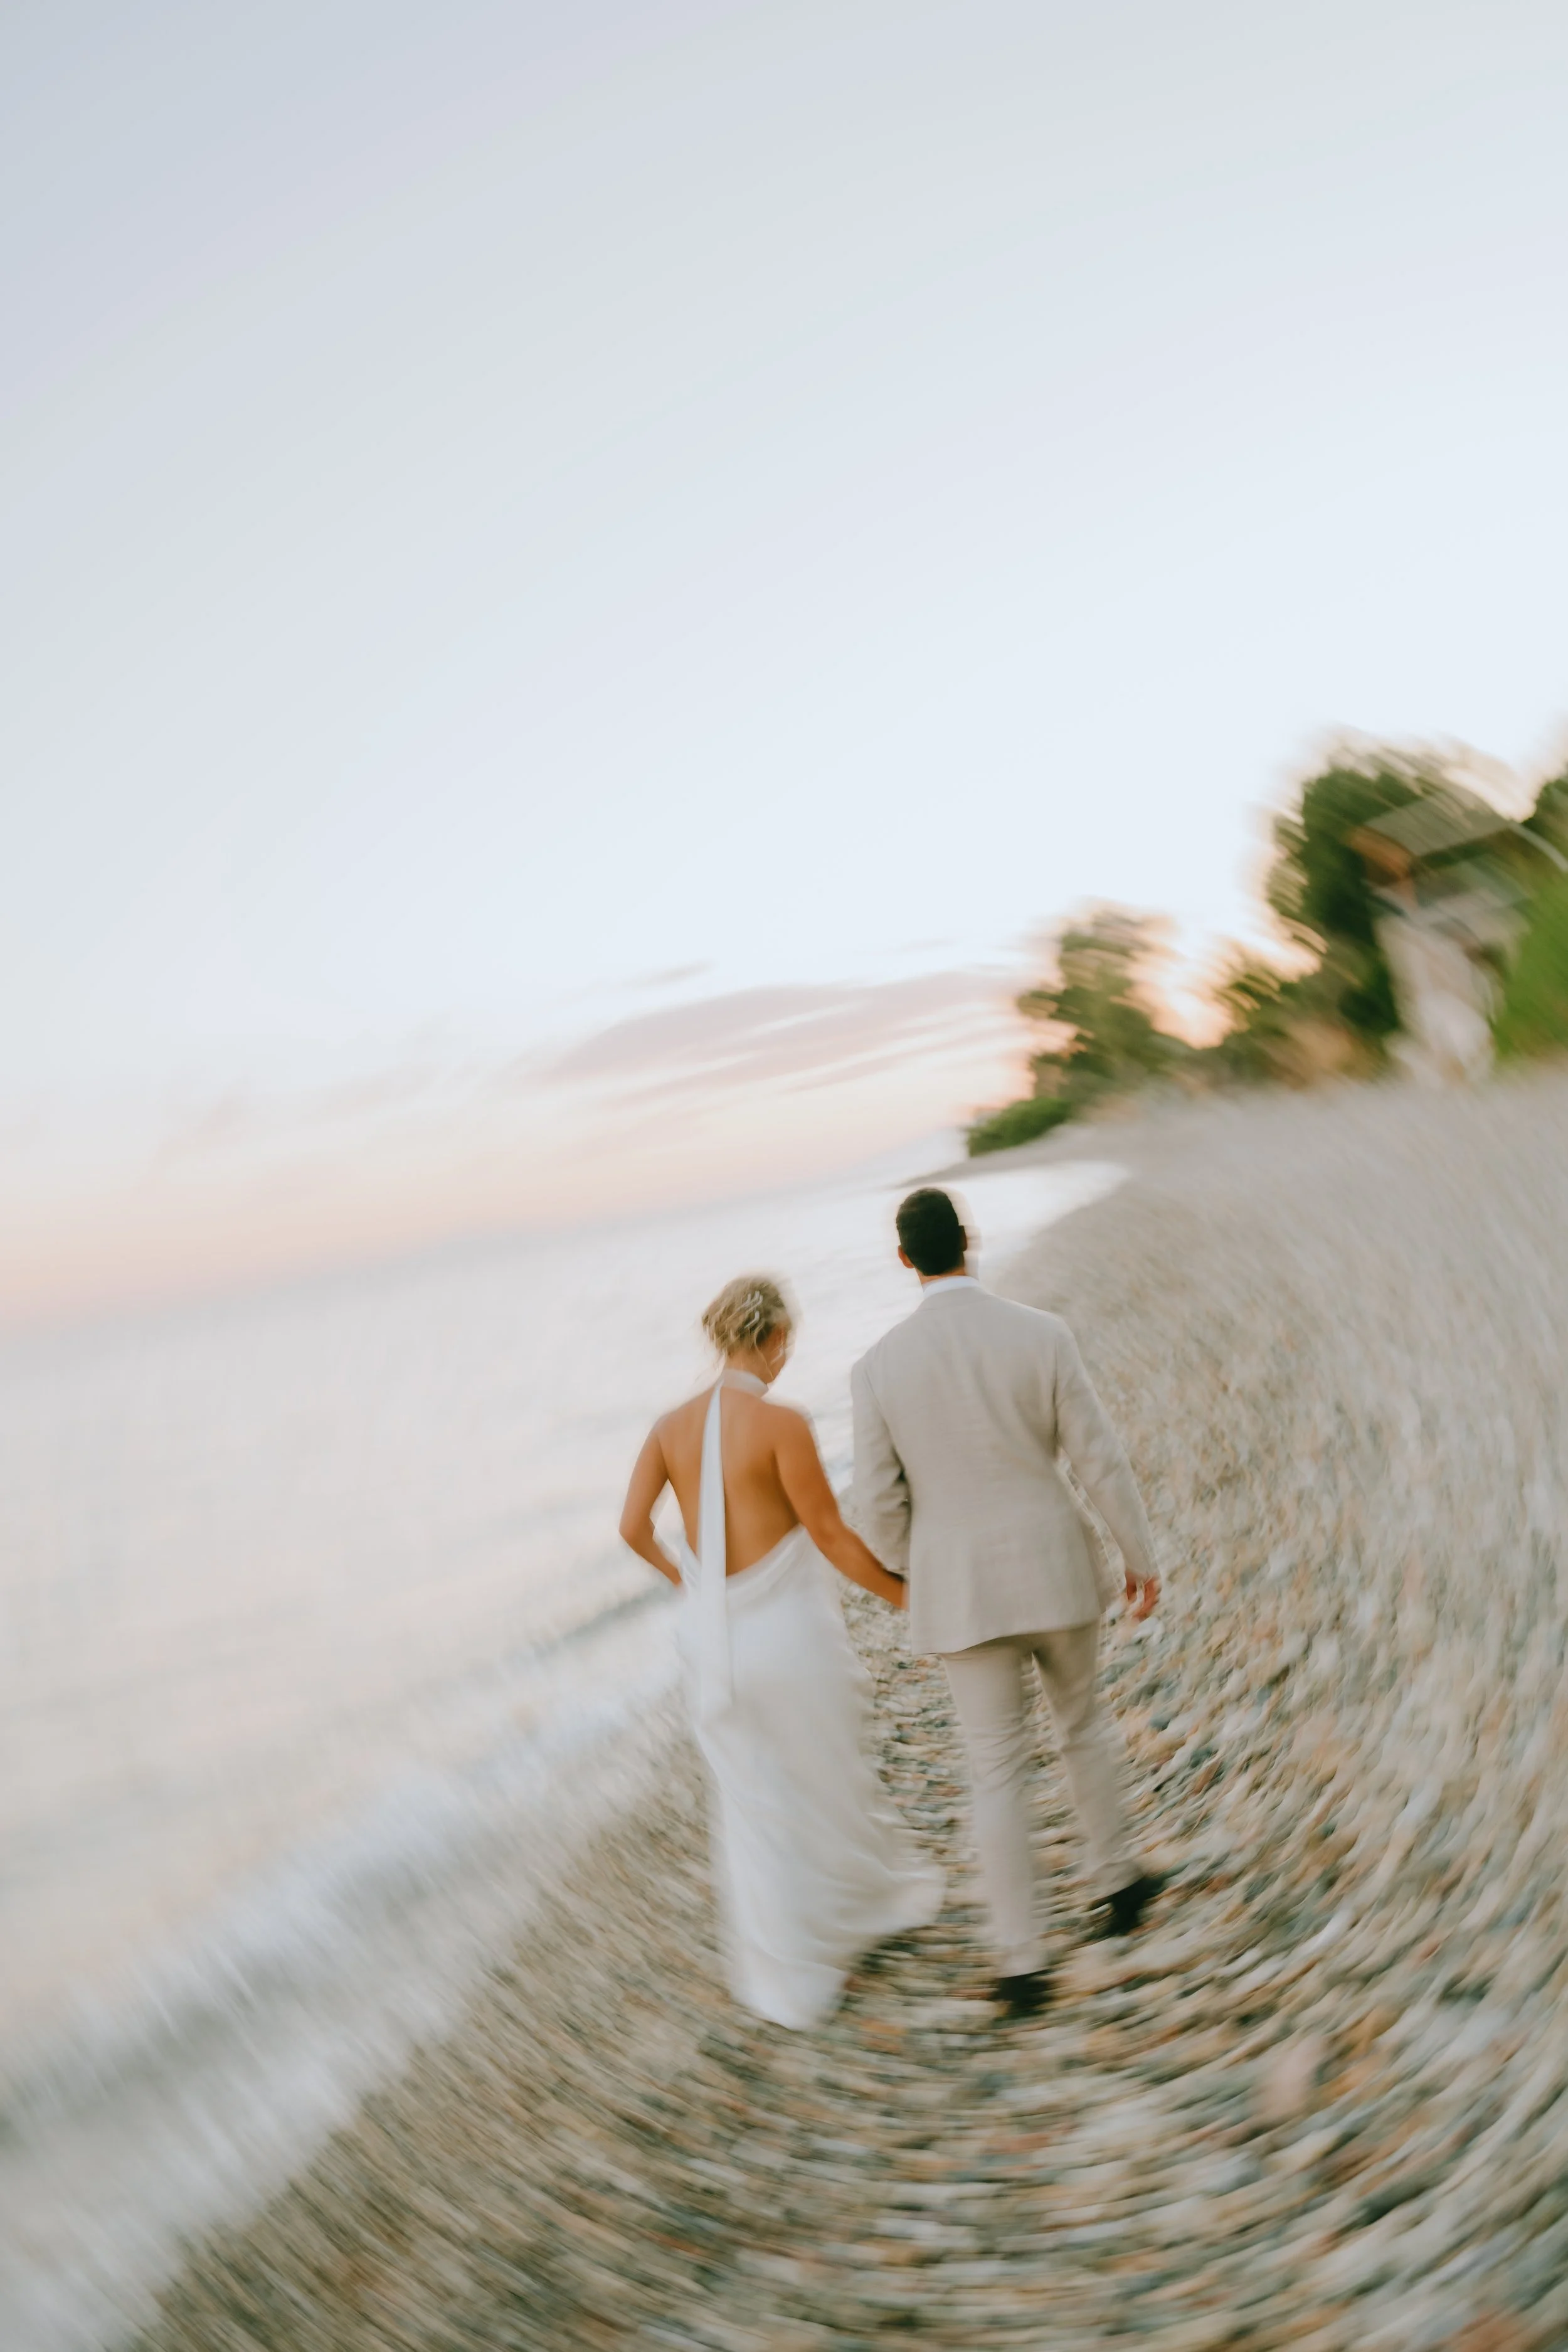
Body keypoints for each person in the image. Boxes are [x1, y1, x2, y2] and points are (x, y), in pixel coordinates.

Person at [850, 1188, 1163, 2020]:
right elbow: (1099, 1458)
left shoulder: (877, 1368)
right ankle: (1118, 1883)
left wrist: (917, 1569)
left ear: (905, 1259)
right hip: (1054, 1567)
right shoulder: (1042, 1334)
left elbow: (877, 1505)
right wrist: (1138, 1556)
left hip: (961, 1590)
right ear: (969, 1239)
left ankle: (1023, 1960)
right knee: (1084, 1725)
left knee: (995, 1770)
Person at [618, 1274, 943, 2029]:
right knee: (827, 1778)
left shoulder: (667, 1428)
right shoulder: (782, 1423)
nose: (785, 1357)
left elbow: (633, 1529)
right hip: (790, 1640)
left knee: (757, 1805)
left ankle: (793, 1968)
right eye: (785, 1344)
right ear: (771, 1339)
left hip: (715, 1646)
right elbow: (830, 1538)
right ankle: (858, 1917)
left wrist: (686, 1581)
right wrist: (908, 1598)